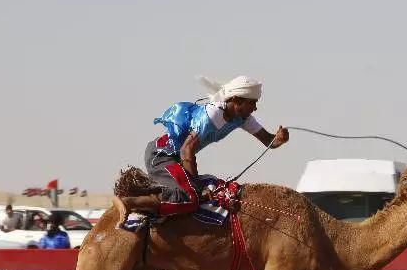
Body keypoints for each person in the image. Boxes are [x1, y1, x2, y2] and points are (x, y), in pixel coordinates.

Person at [117, 75, 290, 217]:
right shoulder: (213, 114)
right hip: (162, 156)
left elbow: (269, 141)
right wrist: (196, 188)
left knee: (218, 188)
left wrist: (279, 139)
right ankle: (129, 202)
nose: (255, 108)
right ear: (236, 101)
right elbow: (187, 150)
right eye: (252, 103)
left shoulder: (242, 118)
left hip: (179, 160)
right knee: (192, 197)